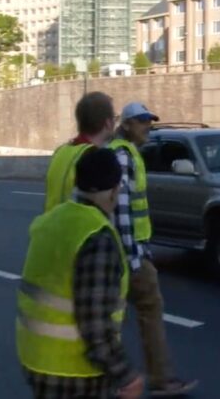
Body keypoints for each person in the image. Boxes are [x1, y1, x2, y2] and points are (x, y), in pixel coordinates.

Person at [18, 148, 144, 399]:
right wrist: (126, 375)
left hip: (35, 358)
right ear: (115, 190)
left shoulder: (49, 221)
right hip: (73, 372)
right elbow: (95, 325)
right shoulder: (96, 235)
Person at [109, 102, 198, 396]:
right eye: (142, 121)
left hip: (132, 248)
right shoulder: (123, 155)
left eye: (149, 120)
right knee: (149, 309)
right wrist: (134, 255)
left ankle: (117, 379)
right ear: (127, 124)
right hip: (130, 252)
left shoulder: (128, 152)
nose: (148, 126)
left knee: (119, 316)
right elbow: (121, 207)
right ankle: (160, 379)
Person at [44, 91, 116, 212]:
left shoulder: (61, 151)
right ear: (108, 123)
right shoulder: (95, 158)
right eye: (115, 118)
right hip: (81, 229)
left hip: (52, 227)